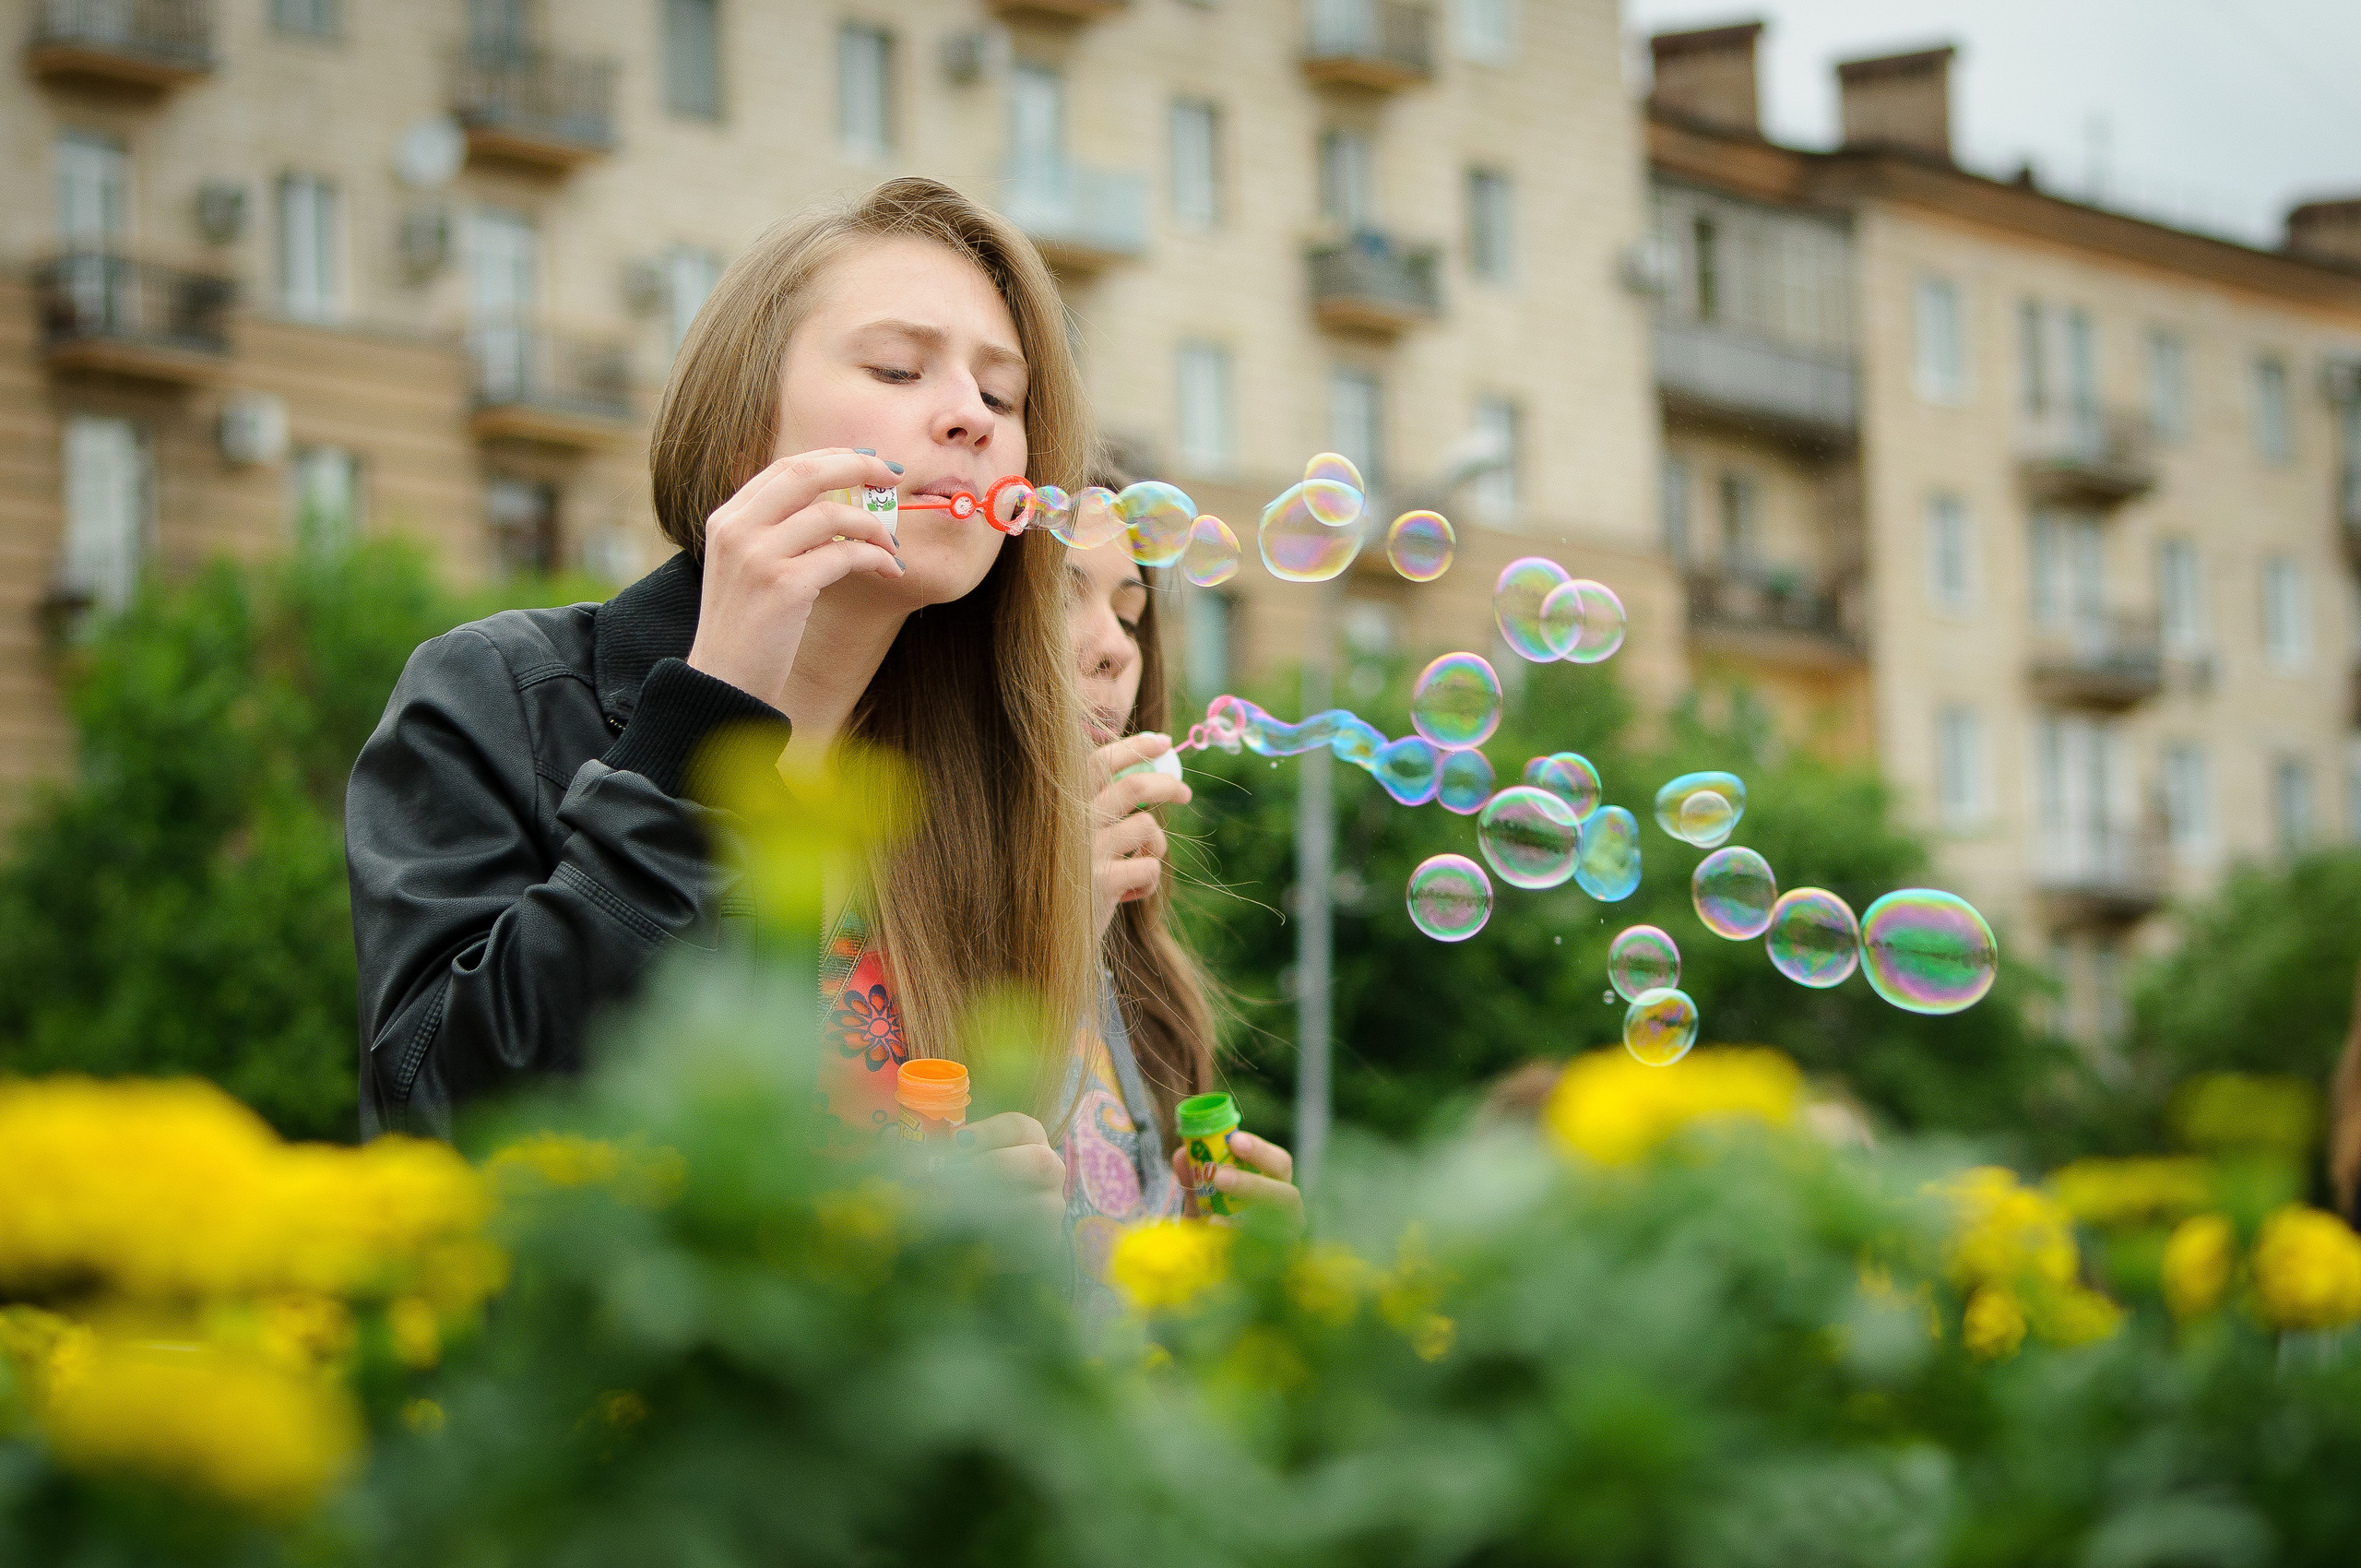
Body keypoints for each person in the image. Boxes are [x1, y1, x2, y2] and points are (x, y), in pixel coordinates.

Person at [347, 178, 1092, 1231]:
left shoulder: (972, 792)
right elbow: (443, 1123)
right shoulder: (502, 698)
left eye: (1005, 396)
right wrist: (708, 715)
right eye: (896, 366)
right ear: (746, 428)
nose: (969, 416)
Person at [1061, 531, 1304, 1241]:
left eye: (1131, 616)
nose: (1119, 648)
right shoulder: (859, 920)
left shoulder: (1138, 979)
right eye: (1057, 598)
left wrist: (1227, 1276)